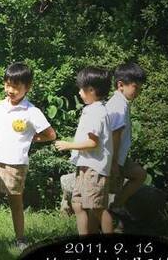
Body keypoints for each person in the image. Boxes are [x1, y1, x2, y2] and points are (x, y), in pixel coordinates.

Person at [0, 62, 56, 251]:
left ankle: (20, 239)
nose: (10, 90)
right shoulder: (0, 106)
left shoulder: (31, 111)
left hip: (15, 163)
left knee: (15, 202)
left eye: (16, 87)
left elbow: (51, 135)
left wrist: (30, 138)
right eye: (7, 85)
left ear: (28, 87)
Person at [55, 67, 114, 235]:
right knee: (78, 204)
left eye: (82, 89)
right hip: (85, 166)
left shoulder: (97, 111)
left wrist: (68, 145)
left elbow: (92, 142)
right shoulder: (91, 109)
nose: (79, 92)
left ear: (92, 90)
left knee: (97, 208)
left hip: (94, 168)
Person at [107, 62, 148, 218]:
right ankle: (111, 213)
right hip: (112, 157)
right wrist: (115, 163)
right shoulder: (118, 105)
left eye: (140, 88)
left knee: (139, 175)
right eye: (135, 87)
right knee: (107, 191)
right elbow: (114, 135)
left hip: (118, 157)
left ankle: (115, 206)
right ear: (120, 85)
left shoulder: (121, 103)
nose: (138, 92)